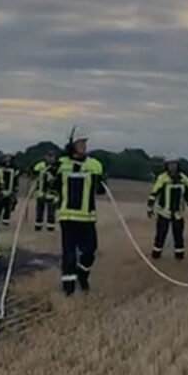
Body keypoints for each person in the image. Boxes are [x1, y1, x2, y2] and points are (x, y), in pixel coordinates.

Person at [53, 126, 105, 295]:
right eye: (80, 143)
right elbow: (53, 186)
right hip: (68, 217)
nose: (83, 146)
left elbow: (101, 190)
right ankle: (68, 289)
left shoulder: (95, 165)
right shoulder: (61, 165)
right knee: (69, 254)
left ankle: (82, 275)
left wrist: (102, 182)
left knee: (90, 250)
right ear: (71, 145)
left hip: (88, 217)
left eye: (84, 143)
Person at [147, 158, 188, 260]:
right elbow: (154, 193)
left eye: (174, 164)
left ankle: (179, 256)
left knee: (178, 236)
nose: (172, 167)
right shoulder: (162, 179)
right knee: (160, 235)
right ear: (166, 166)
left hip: (178, 213)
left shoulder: (185, 180)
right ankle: (156, 255)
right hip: (164, 212)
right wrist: (149, 207)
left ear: (178, 165)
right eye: (170, 164)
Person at [31, 149, 58, 231]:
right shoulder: (40, 165)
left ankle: (50, 227)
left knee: (51, 211)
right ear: (45, 157)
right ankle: (38, 225)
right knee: (39, 210)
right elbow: (33, 172)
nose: (50, 158)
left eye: (52, 156)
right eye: (49, 156)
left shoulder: (57, 167)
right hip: (41, 192)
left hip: (52, 193)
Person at [0, 154, 19, 226]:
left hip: (9, 190)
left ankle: (6, 219)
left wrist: (15, 188)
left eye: (8, 159)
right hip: (0, 190)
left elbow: (15, 179)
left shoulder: (14, 169)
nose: (7, 161)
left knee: (8, 205)